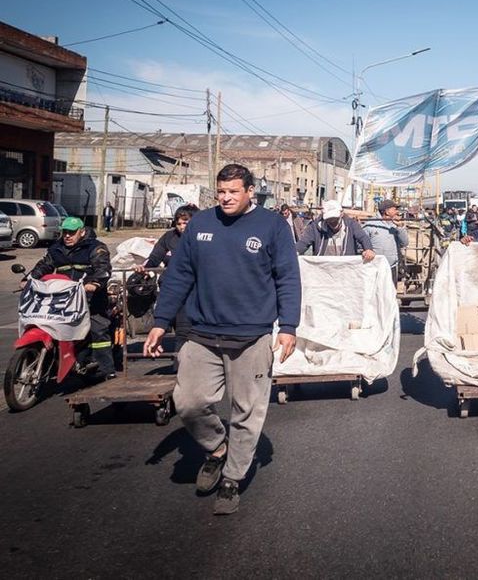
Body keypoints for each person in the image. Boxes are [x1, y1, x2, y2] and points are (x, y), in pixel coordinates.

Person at [143, 164, 301, 516]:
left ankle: (231, 477)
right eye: (221, 192)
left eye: (233, 192)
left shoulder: (273, 226)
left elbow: (288, 278)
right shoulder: (200, 224)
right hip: (202, 332)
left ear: (250, 192)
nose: (226, 198)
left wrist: (288, 326)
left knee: (247, 410)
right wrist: (160, 321)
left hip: (251, 335)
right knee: (188, 401)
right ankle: (217, 448)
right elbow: (179, 275)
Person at [23, 216, 116, 380]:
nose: (67, 236)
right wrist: (29, 279)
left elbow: (103, 268)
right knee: (42, 320)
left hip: (89, 298)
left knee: (98, 329)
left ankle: (106, 369)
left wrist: (94, 283)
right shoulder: (56, 248)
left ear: (81, 232)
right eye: (65, 232)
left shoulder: (95, 248)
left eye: (71, 232)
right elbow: (44, 265)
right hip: (61, 298)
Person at [136, 204, 199, 352]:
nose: (182, 227)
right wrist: (144, 268)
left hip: (195, 289)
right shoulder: (169, 237)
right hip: (173, 288)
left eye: (186, 223)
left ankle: (185, 363)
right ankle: (180, 364)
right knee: (181, 329)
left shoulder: (202, 238)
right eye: (179, 223)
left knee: (189, 329)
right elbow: (154, 258)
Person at [296, 199, 375, 260]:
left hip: (345, 270)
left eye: (335, 219)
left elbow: (363, 237)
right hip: (322, 270)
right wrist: (294, 252)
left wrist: (368, 249)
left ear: (341, 214)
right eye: (329, 220)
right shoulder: (315, 227)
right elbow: (303, 242)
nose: (332, 222)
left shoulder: (352, 225)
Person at [363, 199, 409, 283]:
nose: (397, 212)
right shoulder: (371, 225)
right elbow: (361, 245)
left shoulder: (396, 225)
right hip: (375, 267)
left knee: (390, 293)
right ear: (387, 211)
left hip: (391, 267)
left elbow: (405, 243)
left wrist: (400, 227)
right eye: (394, 209)